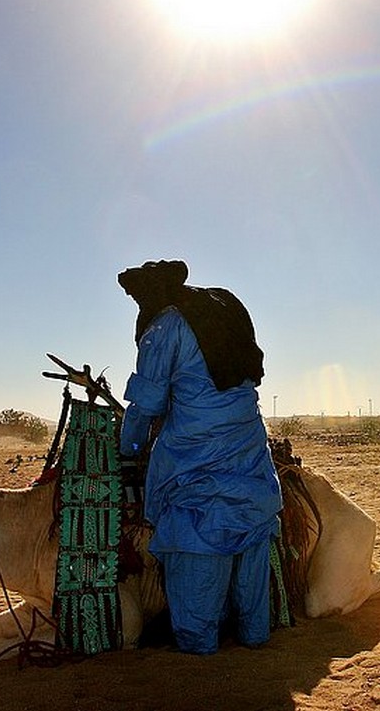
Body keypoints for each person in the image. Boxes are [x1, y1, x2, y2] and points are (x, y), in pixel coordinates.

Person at [118, 259, 283, 654]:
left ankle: (202, 656)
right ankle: (255, 638)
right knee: (252, 592)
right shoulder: (225, 308)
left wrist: (129, 449)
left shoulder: (166, 325)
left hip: (195, 471)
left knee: (196, 621)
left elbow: (148, 402)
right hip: (251, 459)